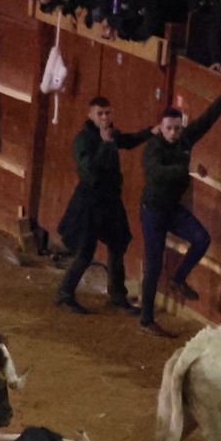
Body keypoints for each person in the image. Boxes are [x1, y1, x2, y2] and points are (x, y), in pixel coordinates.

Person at [136, 76, 221, 335]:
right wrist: (186, 170)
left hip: (171, 209)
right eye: (169, 129)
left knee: (201, 238)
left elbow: (208, 118)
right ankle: (146, 318)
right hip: (153, 210)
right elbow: (154, 172)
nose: (174, 133)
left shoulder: (184, 139)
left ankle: (178, 278)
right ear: (161, 128)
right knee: (154, 264)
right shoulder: (153, 147)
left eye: (177, 128)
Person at [54, 96, 151, 315]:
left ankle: (117, 295)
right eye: (100, 114)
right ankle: (64, 293)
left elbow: (128, 140)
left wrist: (150, 132)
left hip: (110, 200)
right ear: (90, 115)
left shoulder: (110, 135)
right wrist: (106, 145)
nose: (105, 117)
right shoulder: (83, 140)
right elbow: (90, 172)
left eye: (108, 113)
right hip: (90, 201)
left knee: (118, 243)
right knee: (85, 251)